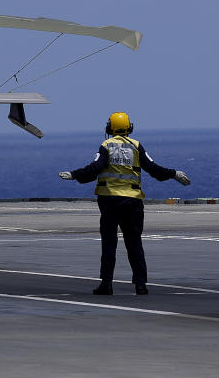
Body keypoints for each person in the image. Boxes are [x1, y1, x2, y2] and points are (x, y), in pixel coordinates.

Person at [58, 112, 191, 295]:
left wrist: (74, 174)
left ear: (109, 128)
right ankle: (141, 284)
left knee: (109, 242)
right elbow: (154, 169)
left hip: (110, 201)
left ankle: (106, 284)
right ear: (129, 127)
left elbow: (95, 168)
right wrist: (173, 173)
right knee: (134, 242)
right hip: (133, 201)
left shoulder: (107, 145)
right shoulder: (136, 146)